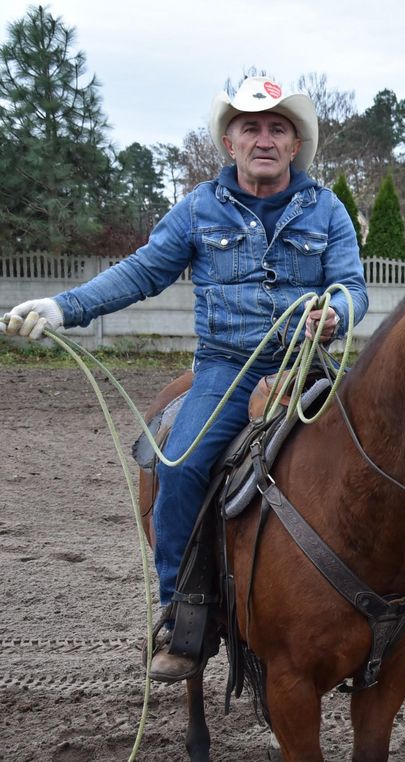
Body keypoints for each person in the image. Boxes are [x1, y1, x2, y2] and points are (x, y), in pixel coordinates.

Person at [3, 77, 371, 681]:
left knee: (390, 438)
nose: (264, 137)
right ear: (229, 141)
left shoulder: (326, 209)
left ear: (294, 142)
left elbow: (353, 289)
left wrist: (337, 314)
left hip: (309, 365)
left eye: (278, 127)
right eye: (251, 126)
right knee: (180, 462)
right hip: (226, 369)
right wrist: (63, 308)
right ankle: (183, 611)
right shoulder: (198, 209)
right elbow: (142, 271)